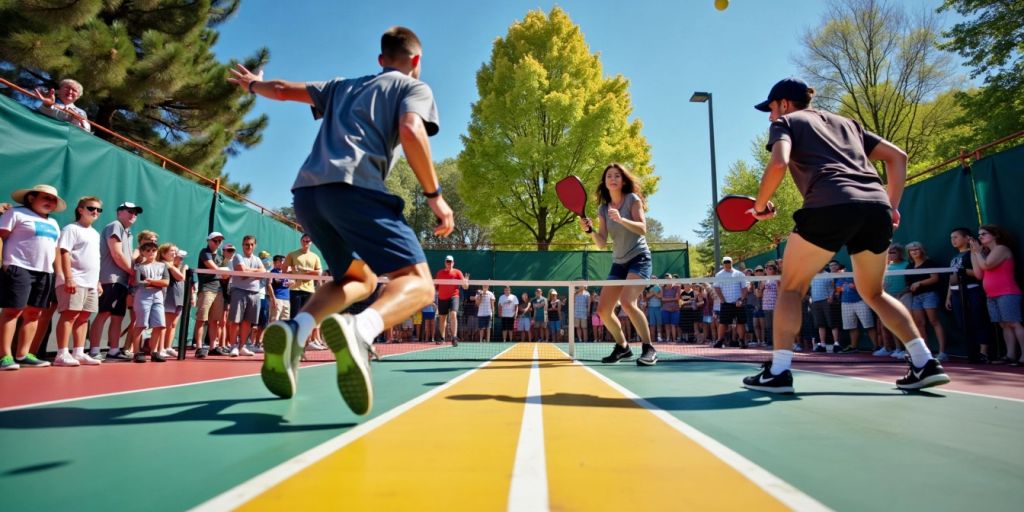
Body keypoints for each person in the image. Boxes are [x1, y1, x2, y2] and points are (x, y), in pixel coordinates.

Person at [229, 26, 453, 415]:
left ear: (380, 59)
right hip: (354, 190)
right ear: (416, 61)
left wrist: (252, 86)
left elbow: (281, 90)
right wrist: (435, 197)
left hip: (307, 196)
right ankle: (361, 329)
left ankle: (295, 331)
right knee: (419, 284)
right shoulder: (414, 87)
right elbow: (411, 129)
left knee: (357, 279)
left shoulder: (342, 86)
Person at [741, 77, 948, 393]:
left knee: (792, 289)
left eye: (770, 109)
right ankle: (924, 361)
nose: (770, 117)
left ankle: (779, 371)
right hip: (875, 208)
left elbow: (779, 162)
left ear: (783, 104)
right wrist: (891, 207)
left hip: (830, 204)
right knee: (874, 292)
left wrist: (758, 207)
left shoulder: (786, 122)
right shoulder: (848, 124)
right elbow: (899, 158)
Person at [580, 163, 657, 365]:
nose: (612, 179)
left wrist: (622, 219)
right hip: (619, 262)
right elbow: (602, 242)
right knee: (603, 310)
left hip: (639, 258)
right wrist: (590, 231)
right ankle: (622, 347)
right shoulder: (603, 209)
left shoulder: (633, 199)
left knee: (627, 302)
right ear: (605, 183)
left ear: (623, 180)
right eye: (609, 176)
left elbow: (642, 228)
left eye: (616, 175)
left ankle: (649, 348)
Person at [0, 184, 64, 369]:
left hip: (44, 272)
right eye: (45, 197)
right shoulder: (15, 214)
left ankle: (23, 354)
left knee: (34, 313)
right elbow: (2, 237)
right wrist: (5, 264)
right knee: (12, 311)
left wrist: (58, 273)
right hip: (18, 267)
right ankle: (5, 357)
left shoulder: (53, 223)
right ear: (31, 198)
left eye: (52, 199)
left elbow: (55, 249)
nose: (49, 202)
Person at [53, 197, 104, 367]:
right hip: (74, 279)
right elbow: (63, 253)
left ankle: (79, 352)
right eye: (91, 208)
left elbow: (94, 259)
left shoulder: (95, 233)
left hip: (90, 283)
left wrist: (97, 282)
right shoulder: (71, 229)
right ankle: (61, 354)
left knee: (84, 317)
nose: (95, 212)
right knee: (70, 315)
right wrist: (68, 278)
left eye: (98, 210)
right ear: (80, 210)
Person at [89, 202, 141, 361]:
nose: (133, 215)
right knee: (103, 314)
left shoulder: (128, 232)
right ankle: (94, 350)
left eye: (135, 213)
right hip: (110, 279)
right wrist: (132, 272)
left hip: (122, 281)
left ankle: (113, 350)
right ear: (119, 213)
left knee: (118, 316)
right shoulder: (115, 226)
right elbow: (116, 254)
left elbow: (126, 256)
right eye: (129, 211)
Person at [970, 225, 1024, 366]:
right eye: (979, 234)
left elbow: (987, 265)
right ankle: (1010, 355)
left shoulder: (1001, 249)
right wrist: (974, 253)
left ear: (995, 235)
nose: (980, 236)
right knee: (1004, 324)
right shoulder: (985, 252)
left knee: (1014, 323)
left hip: (1008, 292)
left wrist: (978, 253)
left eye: (984, 234)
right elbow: (978, 274)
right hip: (991, 295)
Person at [947, 228, 989, 363]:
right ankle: (972, 351)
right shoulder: (954, 257)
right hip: (955, 293)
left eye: (956, 237)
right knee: (963, 323)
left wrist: (963, 271)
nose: (953, 240)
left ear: (967, 238)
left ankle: (984, 353)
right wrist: (948, 296)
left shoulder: (973, 253)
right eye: (951, 238)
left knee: (978, 320)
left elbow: (979, 273)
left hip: (971, 291)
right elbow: (951, 278)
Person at [906, 241, 948, 361]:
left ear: (922, 250)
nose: (914, 251)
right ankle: (926, 353)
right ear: (908, 253)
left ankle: (942, 352)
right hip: (915, 297)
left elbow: (935, 278)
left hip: (930, 295)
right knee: (919, 323)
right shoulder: (909, 267)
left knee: (934, 321)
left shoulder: (929, 263)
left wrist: (920, 283)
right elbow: (908, 284)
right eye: (911, 250)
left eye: (917, 249)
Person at [129, 241, 169, 362]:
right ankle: (137, 352)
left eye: (153, 250)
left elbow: (166, 282)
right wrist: (157, 283)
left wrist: (151, 282)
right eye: (147, 250)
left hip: (158, 297)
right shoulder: (139, 266)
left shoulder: (163, 265)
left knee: (159, 324)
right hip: (143, 297)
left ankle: (154, 352)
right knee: (140, 324)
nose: (151, 252)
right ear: (142, 252)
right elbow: (138, 282)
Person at [226, 235, 264, 357]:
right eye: (247, 244)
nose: (249, 246)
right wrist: (256, 272)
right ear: (243, 245)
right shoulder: (238, 257)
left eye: (251, 244)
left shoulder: (258, 259)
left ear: (255, 246)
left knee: (247, 322)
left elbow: (263, 273)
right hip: (239, 291)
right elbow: (242, 273)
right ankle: (233, 346)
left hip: (255, 293)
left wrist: (249, 272)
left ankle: (242, 346)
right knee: (235, 321)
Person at [283, 233, 323, 346]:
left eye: (308, 241)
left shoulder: (315, 256)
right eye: (304, 241)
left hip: (309, 290)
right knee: (295, 316)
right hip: (295, 290)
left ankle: (306, 342)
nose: (306, 243)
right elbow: (284, 270)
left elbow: (319, 272)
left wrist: (304, 270)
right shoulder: (292, 254)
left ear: (311, 243)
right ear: (301, 241)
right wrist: (292, 274)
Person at [192, 232, 225, 358]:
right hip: (206, 289)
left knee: (214, 321)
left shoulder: (221, 257)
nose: (217, 243)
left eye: (219, 241)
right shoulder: (204, 252)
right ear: (208, 241)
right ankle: (199, 347)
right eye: (215, 241)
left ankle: (213, 347)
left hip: (218, 290)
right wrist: (225, 272)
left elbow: (223, 274)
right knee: (201, 319)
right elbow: (213, 267)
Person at [880, 243, 910, 358]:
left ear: (900, 253)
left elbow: (910, 283)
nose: (890, 255)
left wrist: (902, 294)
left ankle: (908, 350)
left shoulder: (907, 265)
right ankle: (898, 349)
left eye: (893, 252)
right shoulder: (887, 267)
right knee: (893, 324)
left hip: (905, 296)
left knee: (905, 323)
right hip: (890, 297)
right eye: (889, 253)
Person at [713, 257, 748, 348]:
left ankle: (742, 341)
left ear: (732, 262)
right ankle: (720, 341)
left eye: (728, 262)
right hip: (726, 303)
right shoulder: (719, 275)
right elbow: (717, 288)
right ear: (723, 263)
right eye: (725, 262)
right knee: (723, 323)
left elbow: (744, 288)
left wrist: (741, 300)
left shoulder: (739, 274)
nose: (727, 263)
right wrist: (722, 300)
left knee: (740, 322)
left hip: (738, 303)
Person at [161, 246, 188, 359]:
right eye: (179, 257)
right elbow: (181, 277)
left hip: (179, 299)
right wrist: (183, 270)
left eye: (182, 258)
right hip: (169, 297)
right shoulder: (168, 265)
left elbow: (183, 279)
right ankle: (161, 348)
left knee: (173, 325)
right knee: (166, 324)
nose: (181, 259)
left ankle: (168, 347)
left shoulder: (177, 267)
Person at [434, 255, 468, 346]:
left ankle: (454, 338)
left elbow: (465, 287)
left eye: (450, 262)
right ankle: (441, 338)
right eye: (447, 262)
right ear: (445, 263)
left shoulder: (458, 272)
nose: (449, 263)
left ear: (453, 263)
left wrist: (466, 282)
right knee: (442, 318)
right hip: (442, 298)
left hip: (454, 297)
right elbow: (435, 286)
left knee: (453, 314)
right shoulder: (440, 273)